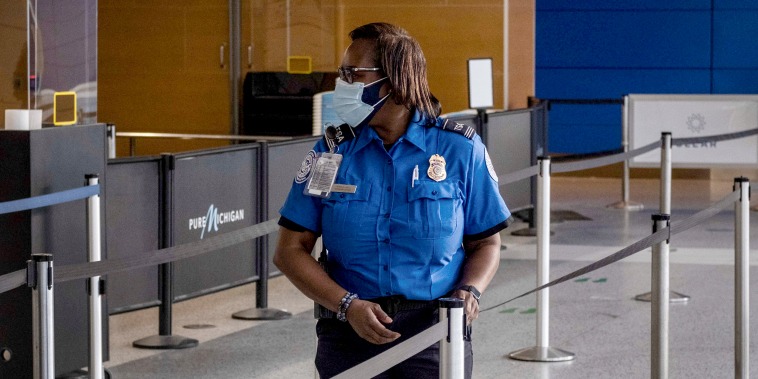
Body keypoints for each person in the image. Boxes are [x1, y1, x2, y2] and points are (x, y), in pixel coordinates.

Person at [273, 22, 510, 379]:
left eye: (352, 73)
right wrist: (346, 305)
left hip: (434, 334)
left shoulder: (460, 150)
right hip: (347, 333)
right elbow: (290, 250)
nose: (341, 83)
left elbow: (487, 242)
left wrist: (470, 290)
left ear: (393, 81)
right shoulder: (331, 152)